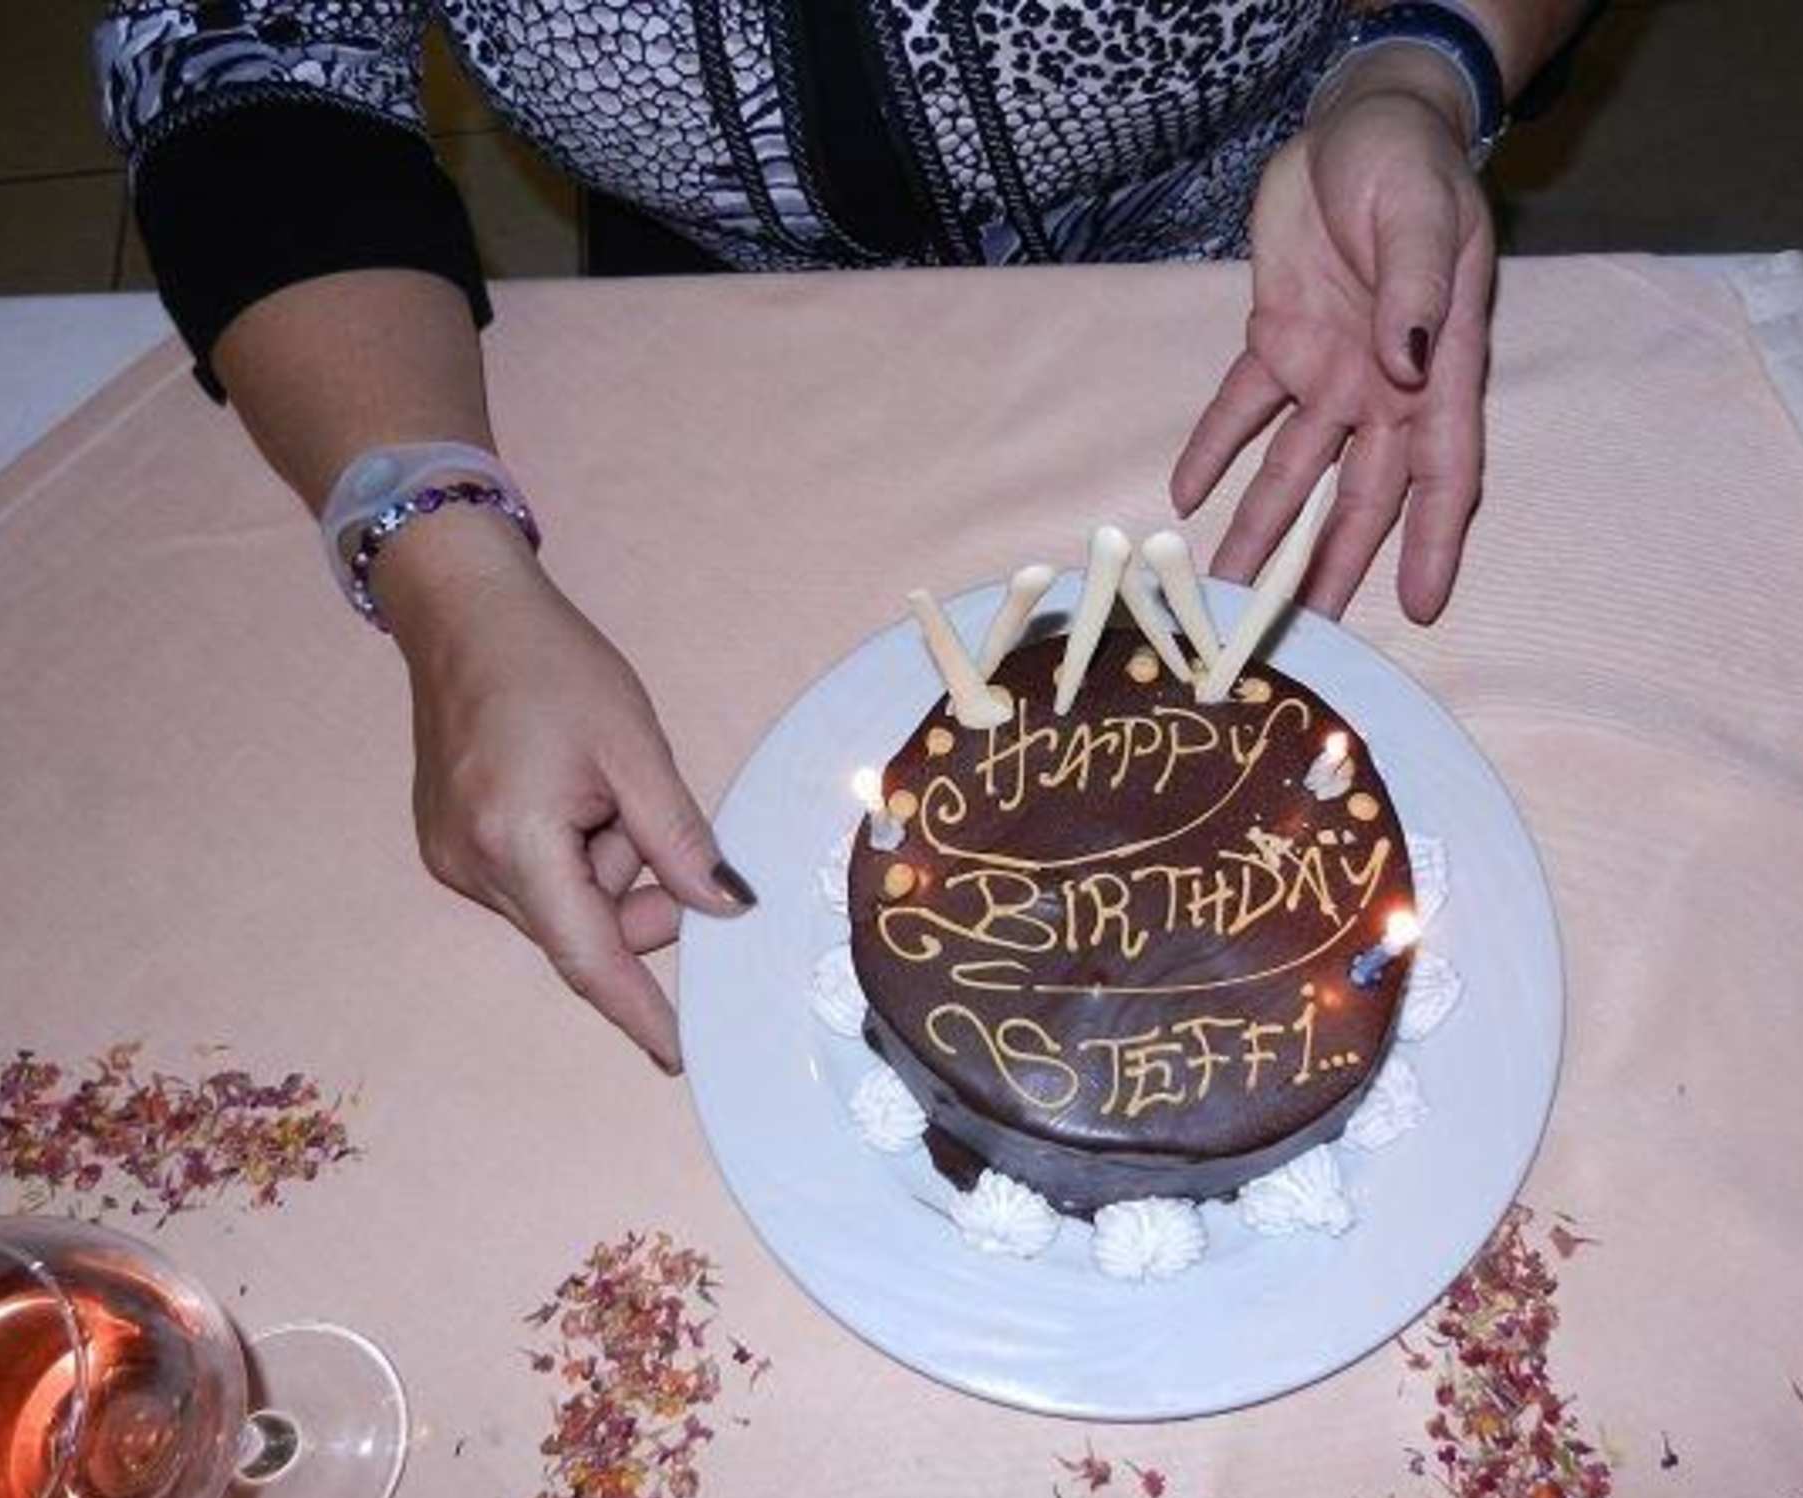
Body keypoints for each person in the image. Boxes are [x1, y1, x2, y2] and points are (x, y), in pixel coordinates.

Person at [95, 0, 1590, 1072]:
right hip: (700, 343)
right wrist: (439, 556)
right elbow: (242, 55)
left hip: (1262, 286)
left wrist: (1424, 64)